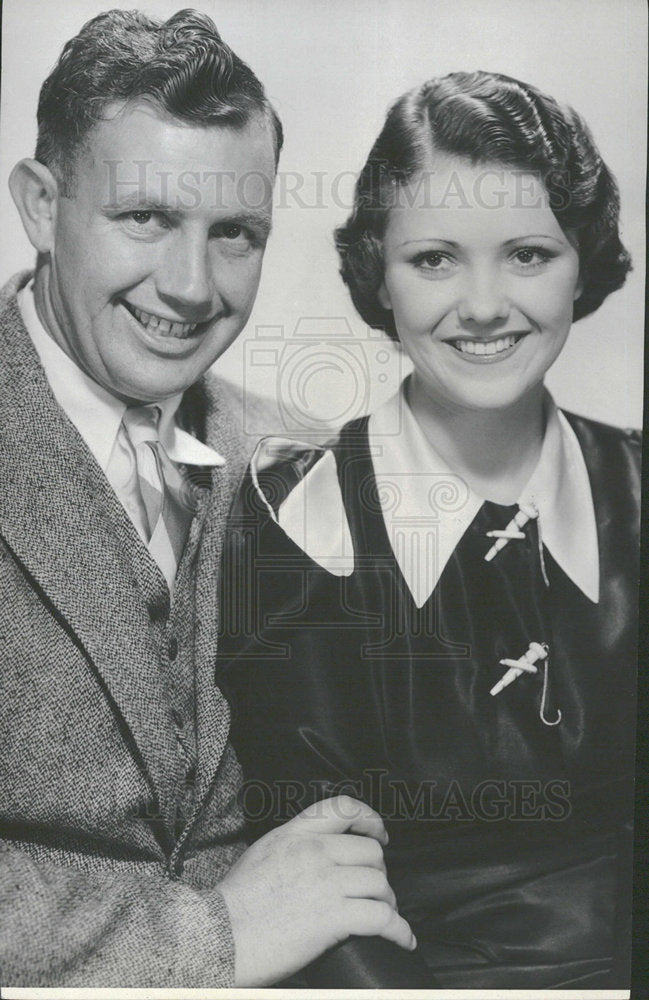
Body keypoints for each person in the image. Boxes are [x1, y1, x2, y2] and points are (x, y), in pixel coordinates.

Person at [0, 9, 416, 988]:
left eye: (234, 233)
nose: (190, 286)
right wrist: (211, 940)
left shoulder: (304, 462)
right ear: (36, 204)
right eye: (144, 217)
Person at [219, 71, 640, 988]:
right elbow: (318, 906)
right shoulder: (299, 519)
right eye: (435, 259)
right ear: (379, 270)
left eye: (527, 254)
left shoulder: (639, 493)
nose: (483, 305)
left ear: (585, 261)